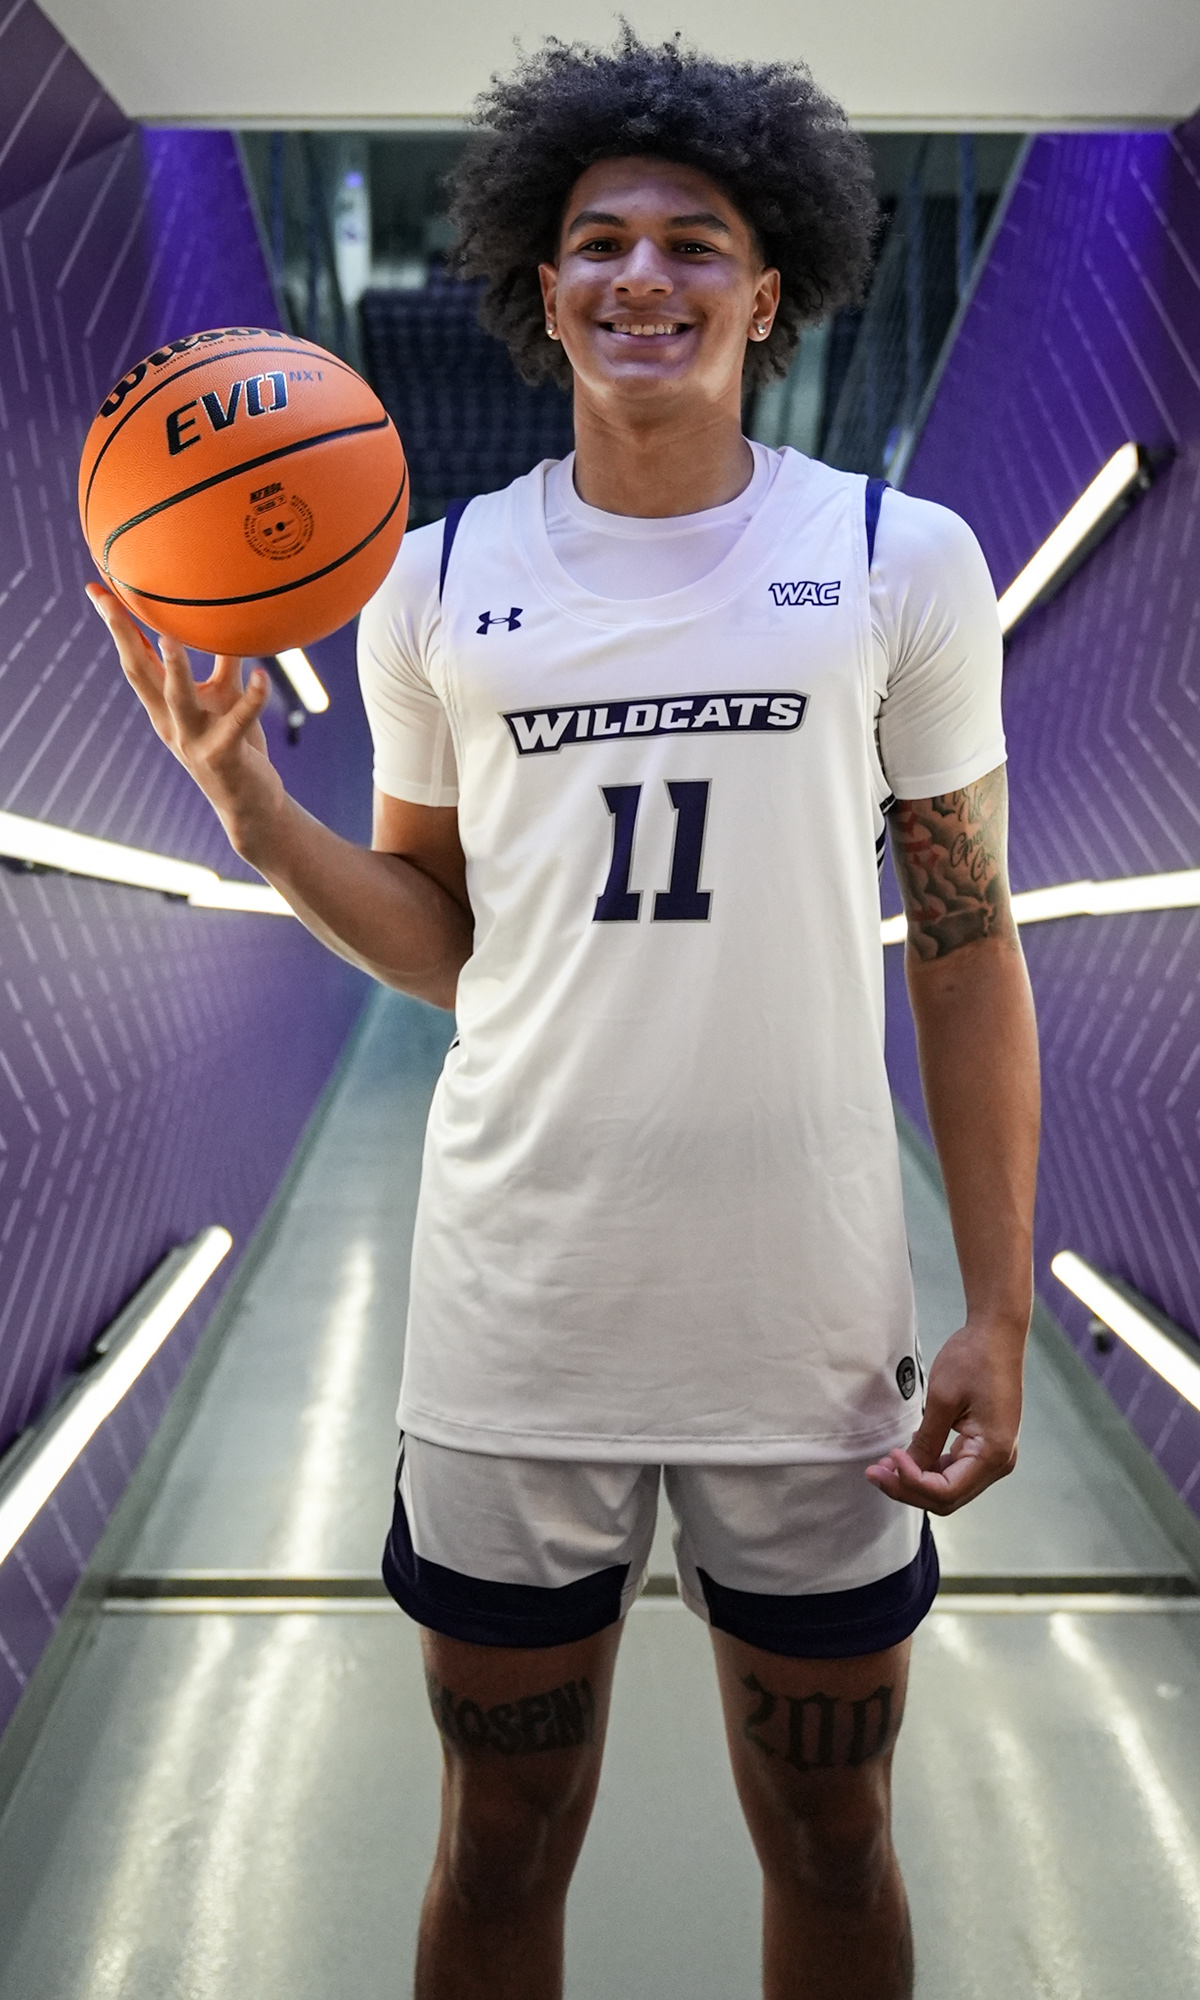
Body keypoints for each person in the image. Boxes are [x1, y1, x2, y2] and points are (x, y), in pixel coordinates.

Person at [89, 31, 1039, 2000]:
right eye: (601, 241)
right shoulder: (436, 581)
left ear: (768, 295)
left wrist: (1003, 1307)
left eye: (696, 244)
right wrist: (254, 812)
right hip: (520, 1316)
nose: (643, 277)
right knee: (501, 1829)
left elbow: (963, 943)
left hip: (809, 1323)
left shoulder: (899, 558)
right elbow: (450, 940)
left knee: (836, 1828)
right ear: (544, 285)